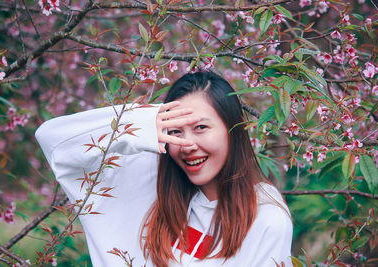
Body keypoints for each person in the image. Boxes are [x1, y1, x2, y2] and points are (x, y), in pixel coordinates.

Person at [36, 71, 293, 267]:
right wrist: (138, 124)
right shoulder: (144, 178)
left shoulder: (265, 218)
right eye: (175, 132)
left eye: (201, 127)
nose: (187, 144)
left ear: (232, 130)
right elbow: (53, 140)